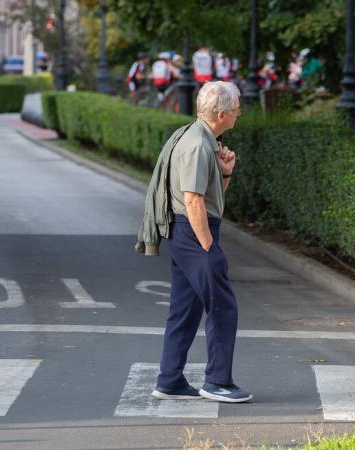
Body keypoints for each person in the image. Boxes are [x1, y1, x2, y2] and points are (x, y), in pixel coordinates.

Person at [135, 81, 251, 403]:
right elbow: (194, 201)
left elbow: (210, 198)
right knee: (223, 305)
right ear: (221, 112)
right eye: (237, 107)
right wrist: (208, 247)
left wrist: (225, 174)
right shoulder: (198, 145)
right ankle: (217, 382)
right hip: (191, 231)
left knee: (185, 310)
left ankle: (170, 380)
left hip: (187, 231)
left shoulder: (202, 139)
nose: (239, 112)